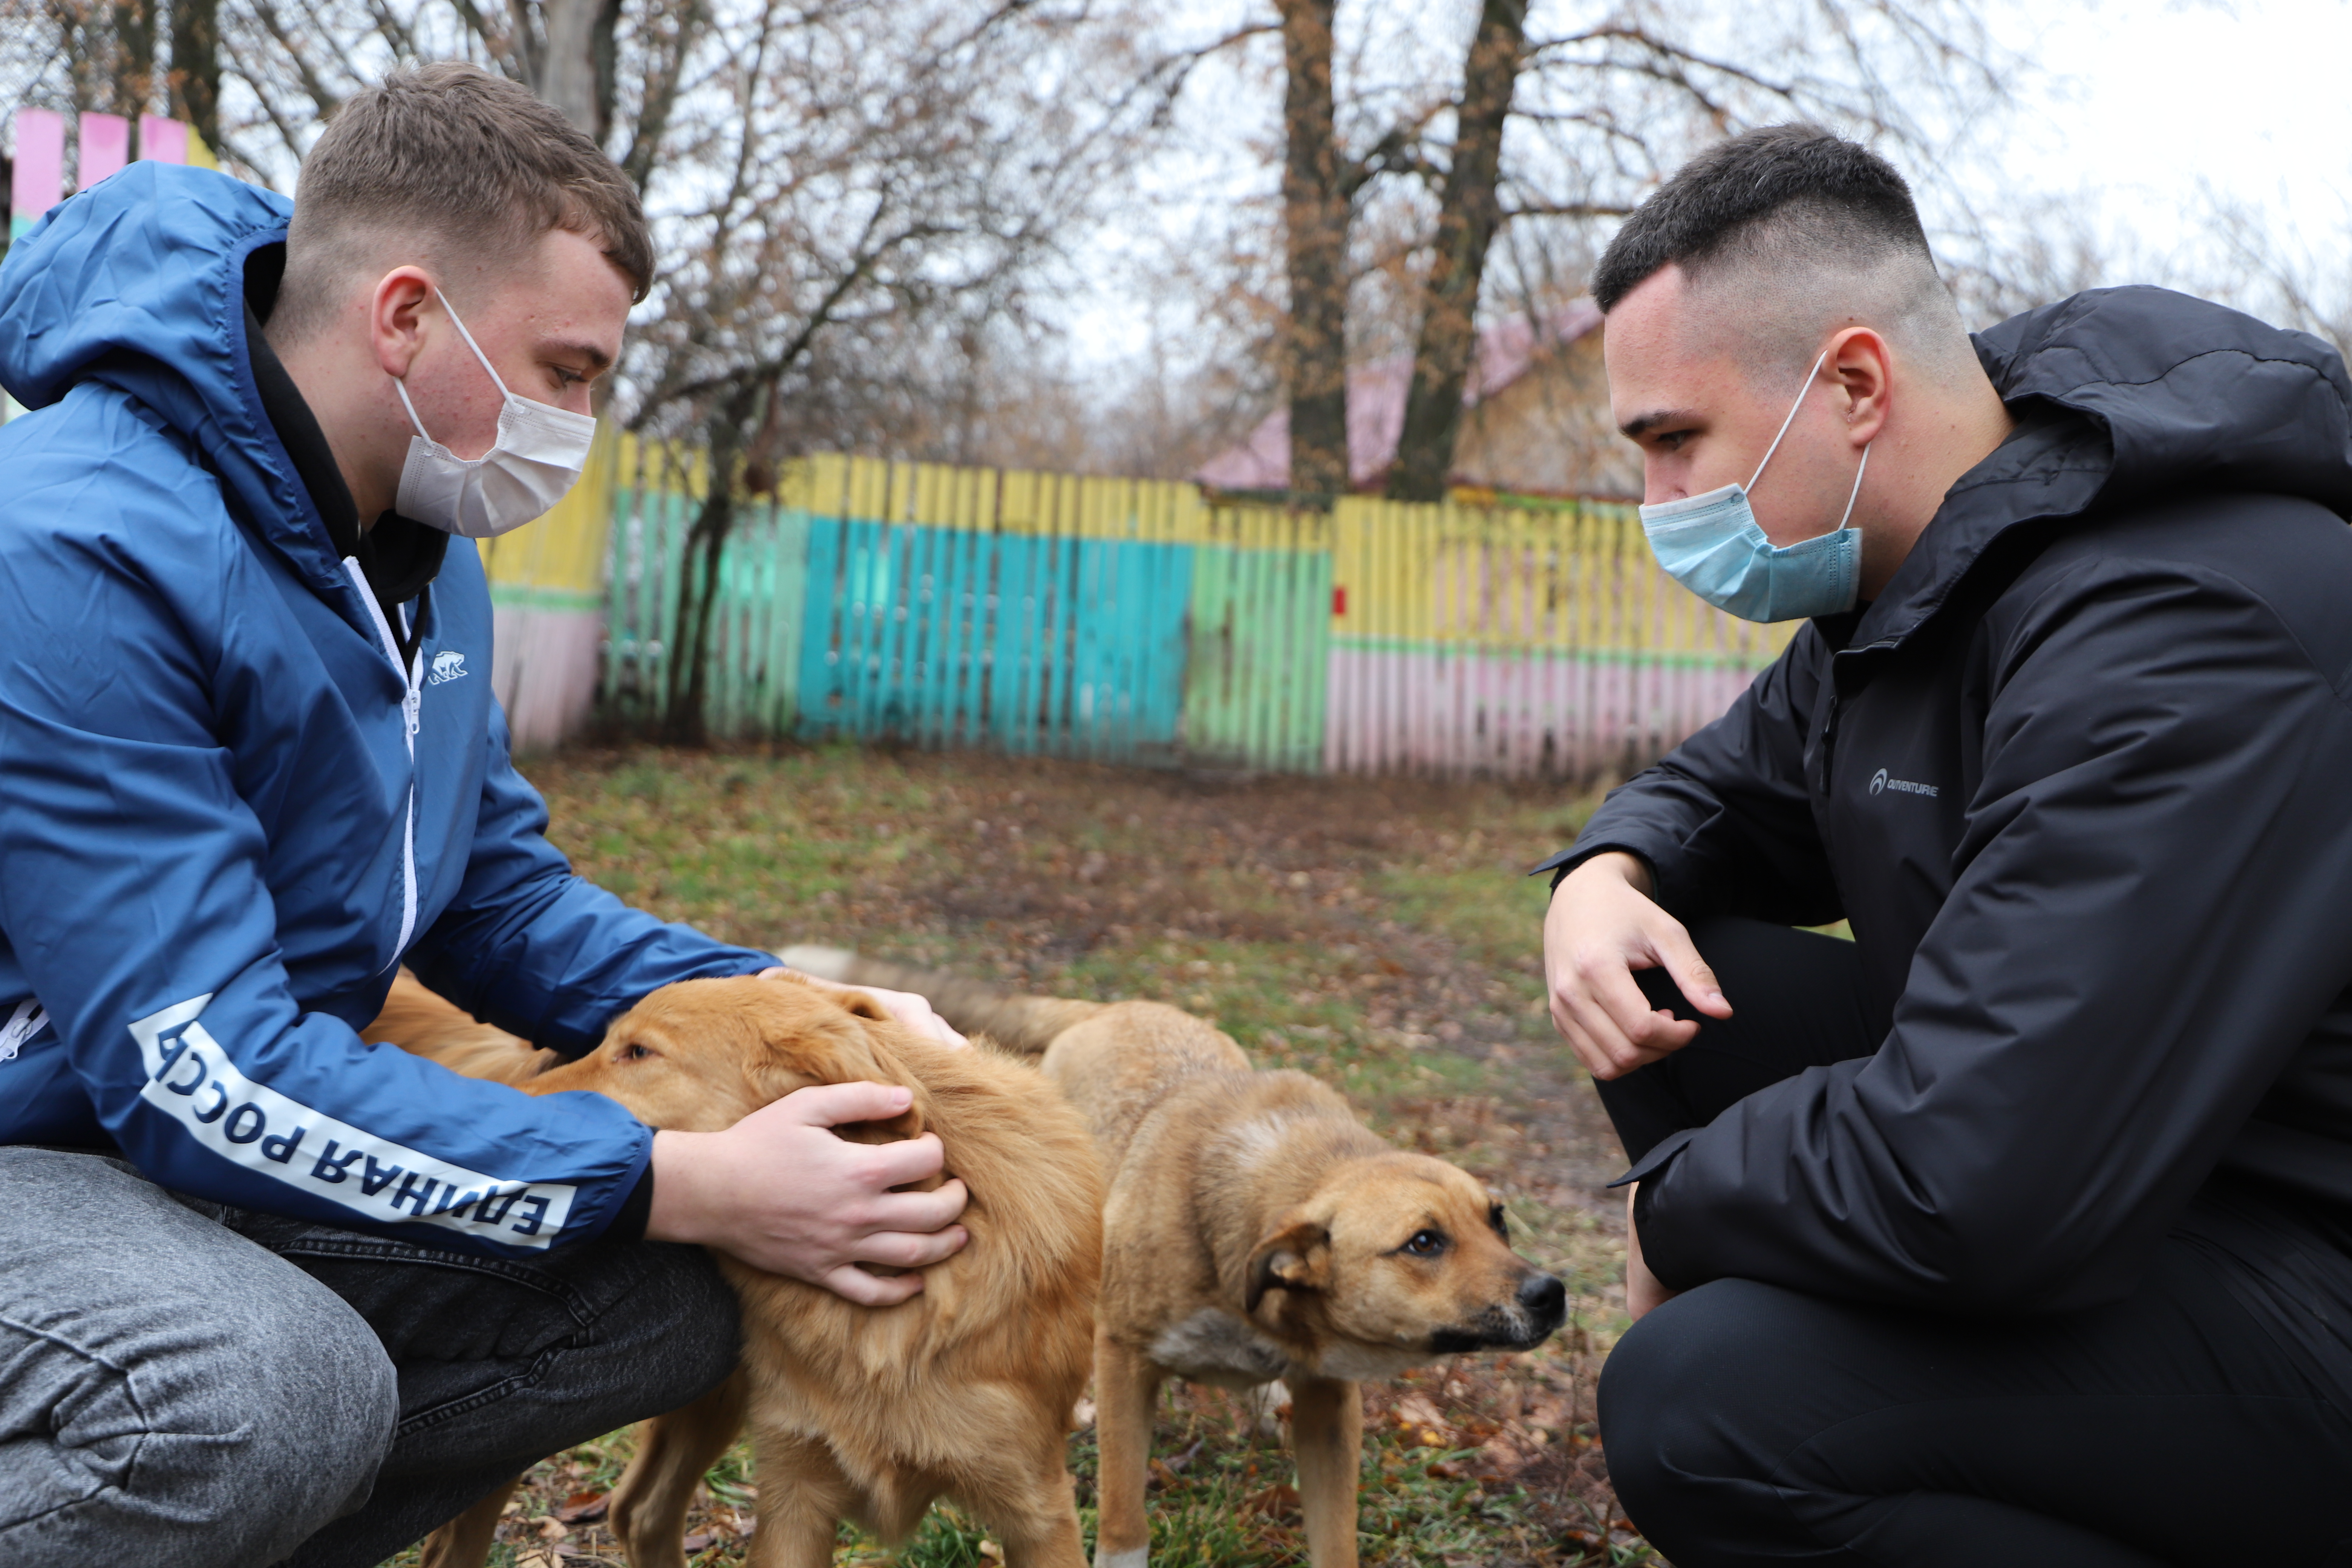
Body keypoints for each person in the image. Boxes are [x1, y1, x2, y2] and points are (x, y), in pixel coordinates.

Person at [0, 64, 971, 1568]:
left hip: (157, 1137)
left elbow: (491, 898)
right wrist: (668, 1167)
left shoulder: (416, 540)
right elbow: (201, 1073)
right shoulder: (74, 549)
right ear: (405, 317)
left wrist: (795, 1006)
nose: (580, 417)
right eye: (568, 368)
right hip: (53, 1143)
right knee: (260, 1390)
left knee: (670, 1295)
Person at [1539, 124, 2352, 1566]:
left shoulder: (2184, 628)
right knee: (1669, 986)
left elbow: (1980, 1176)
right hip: (2138, 1164)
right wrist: (1610, 875)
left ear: (1853, 385)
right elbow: (1733, 790)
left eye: (1677, 442)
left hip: (2301, 1255)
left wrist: (1681, 1210)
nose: (1658, 504)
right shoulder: (1922, 570)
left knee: (1703, 1403)